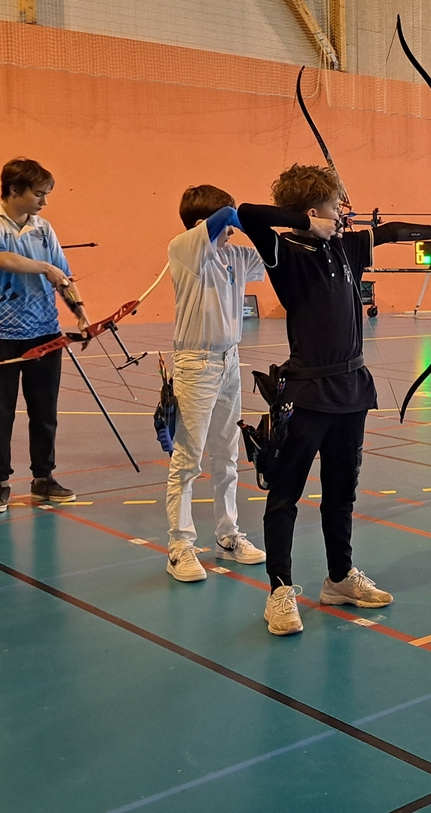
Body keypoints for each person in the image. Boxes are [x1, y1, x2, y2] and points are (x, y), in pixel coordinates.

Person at [235, 164, 431, 636]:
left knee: (341, 491)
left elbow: (392, 232)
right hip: (306, 394)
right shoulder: (285, 252)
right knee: (285, 495)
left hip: (351, 390)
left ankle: (339, 578)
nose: (341, 213)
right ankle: (280, 592)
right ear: (312, 209)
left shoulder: (347, 248)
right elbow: (247, 213)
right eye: (333, 206)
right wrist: (307, 224)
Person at [160, 185, 269, 582]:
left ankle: (228, 534)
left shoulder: (235, 255)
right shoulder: (184, 249)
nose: (234, 231)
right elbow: (223, 220)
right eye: (229, 222)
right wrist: (239, 214)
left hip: (230, 361)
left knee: (227, 455)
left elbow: (273, 254)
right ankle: (180, 547)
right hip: (196, 364)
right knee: (187, 459)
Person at [0, 158, 90, 513]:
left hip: (44, 333)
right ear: (14, 190)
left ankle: (43, 477)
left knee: (44, 411)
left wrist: (80, 313)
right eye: (38, 193)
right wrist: (44, 267)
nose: (44, 201)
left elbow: (63, 276)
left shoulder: (43, 228)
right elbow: (0, 259)